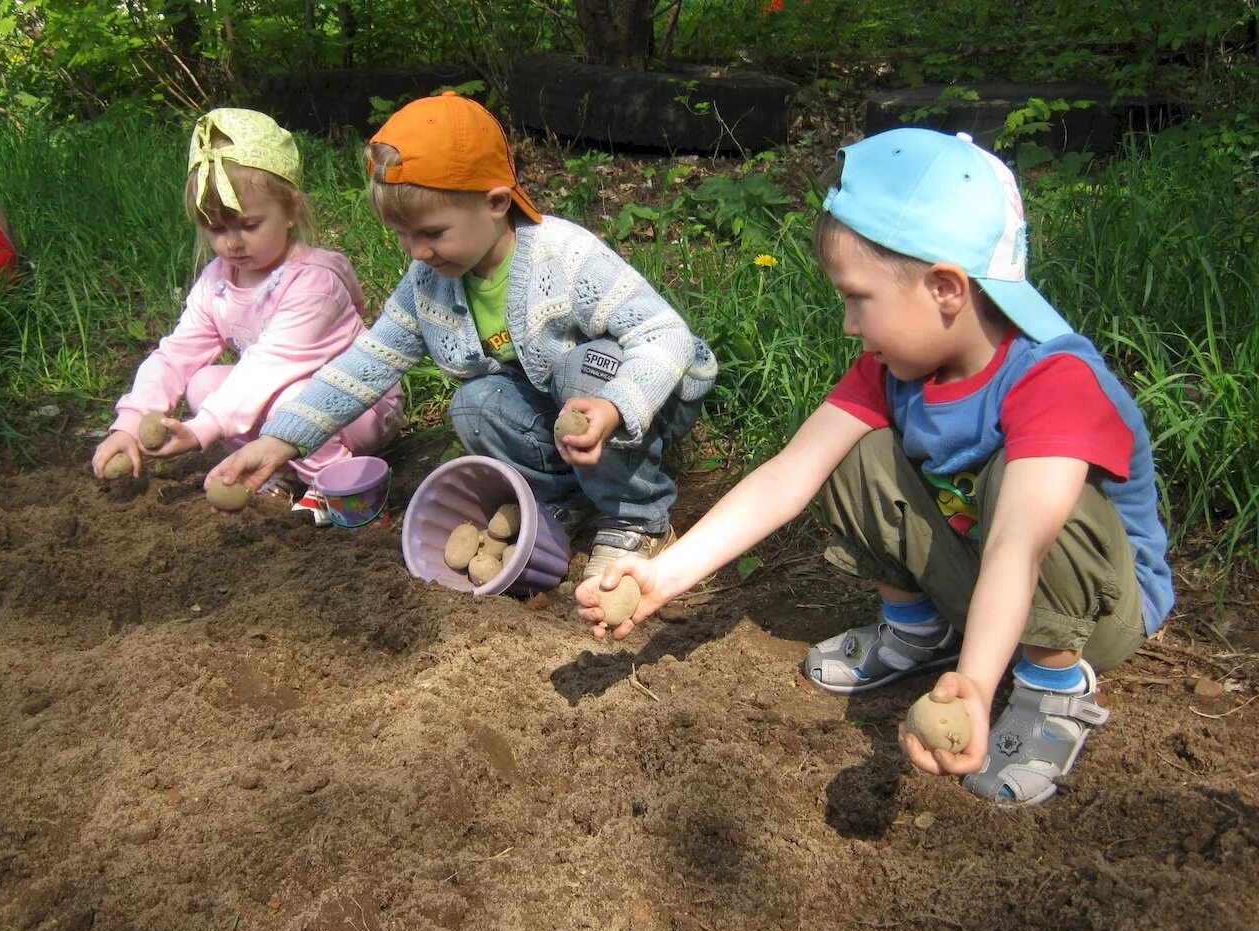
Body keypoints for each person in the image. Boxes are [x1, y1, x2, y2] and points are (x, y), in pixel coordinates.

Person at [576, 128, 1173, 806]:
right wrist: (663, 576)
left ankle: (1050, 688)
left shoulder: (1054, 380)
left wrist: (977, 684)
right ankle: (922, 629)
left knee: (1022, 487)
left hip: (1094, 613)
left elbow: (1018, 541)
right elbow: (787, 475)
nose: (850, 324)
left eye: (857, 297)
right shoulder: (894, 373)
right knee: (849, 452)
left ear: (945, 288)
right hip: (980, 574)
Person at [207, 93, 716, 575]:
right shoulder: (429, 284)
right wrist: (280, 441)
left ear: (495, 203)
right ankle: (569, 494)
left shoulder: (565, 257)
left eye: (431, 233)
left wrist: (617, 406)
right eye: (402, 235)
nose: (416, 251)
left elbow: (666, 333)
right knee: (474, 402)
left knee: (583, 367)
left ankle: (637, 517)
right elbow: (367, 364)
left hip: (646, 395)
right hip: (563, 409)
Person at [90, 108, 402, 524]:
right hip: (281, 402)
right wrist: (129, 421)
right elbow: (178, 352)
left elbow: (266, 366)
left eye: (249, 224)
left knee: (286, 399)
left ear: (290, 210)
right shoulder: (218, 281)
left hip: (356, 408)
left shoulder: (314, 283)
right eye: (216, 229)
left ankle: (341, 485)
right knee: (204, 383)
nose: (233, 243)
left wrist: (203, 429)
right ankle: (278, 470)